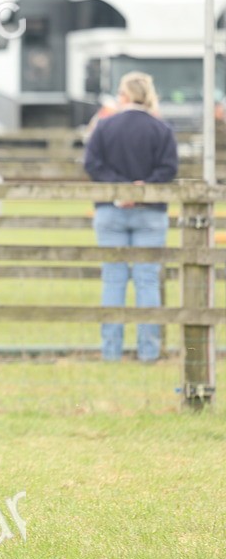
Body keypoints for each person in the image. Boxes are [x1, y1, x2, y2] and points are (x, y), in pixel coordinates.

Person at [83, 71, 178, 362]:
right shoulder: (161, 129)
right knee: (147, 281)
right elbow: (169, 168)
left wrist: (119, 188)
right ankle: (148, 352)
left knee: (113, 280)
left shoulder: (105, 126)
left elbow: (92, 164)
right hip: (149, 212)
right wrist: (142, 188)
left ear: (123, 95)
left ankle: (110, 352)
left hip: (111, 210)